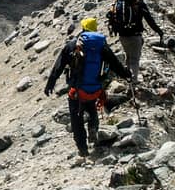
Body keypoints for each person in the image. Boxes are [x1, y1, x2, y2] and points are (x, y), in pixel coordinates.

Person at [44, 17, 131, 157]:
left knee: (76, 120)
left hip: (76, 91)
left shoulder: (72, 45)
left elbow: (58, 66)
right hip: (94, 89)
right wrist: (126, 75)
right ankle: (93, 128)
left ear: (83, 28)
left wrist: (50, 84)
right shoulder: (101, 45)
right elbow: (115, 64)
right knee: (91, 109)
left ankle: (83, 149)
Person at [107, 0, 163, 81]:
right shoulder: (139, 3)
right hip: (135, 36)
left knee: (129, 57)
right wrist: (159, 32)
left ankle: (129, 78)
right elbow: (150, 21)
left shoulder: (119, 3)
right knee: (134, 60)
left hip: (122, 36)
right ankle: (133, 82)